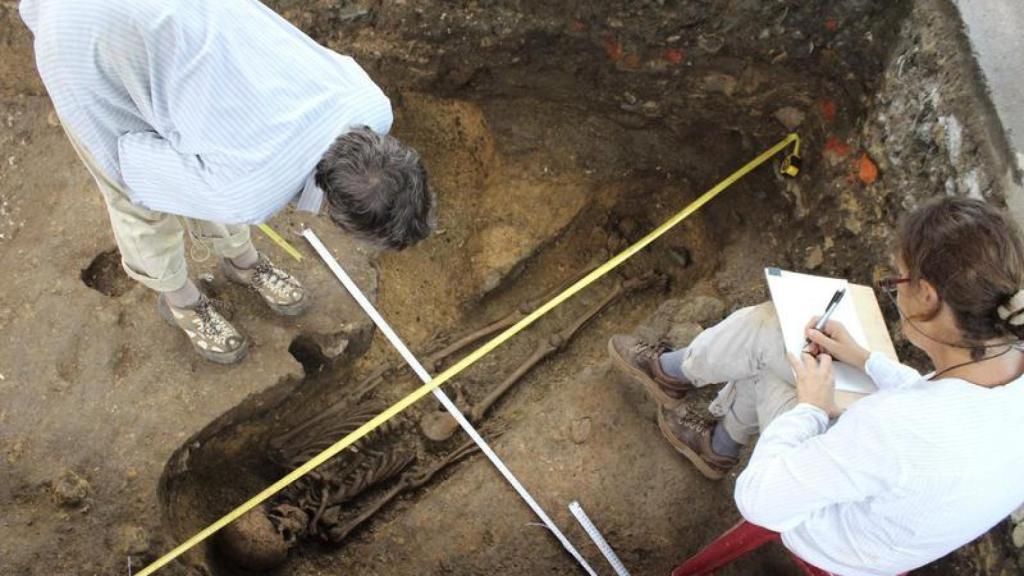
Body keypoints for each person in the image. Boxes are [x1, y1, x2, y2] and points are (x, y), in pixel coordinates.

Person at [609, 197, 1024, 575]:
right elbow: (943, 400)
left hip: (830, 544)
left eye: (897, 281)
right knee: (778, 346)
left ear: (928, 297)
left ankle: (675, 380)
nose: (894, 289)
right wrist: (866, 360)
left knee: (768, 338)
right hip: (893, 534)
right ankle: (714, 439)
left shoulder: (891, 427)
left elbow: (759, 502)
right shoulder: (1006, 367)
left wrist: (811, 407)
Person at [19, 0, 434, 364]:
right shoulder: (252, 187)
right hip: (85, 37)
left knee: (222, 184)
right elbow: (135, 165)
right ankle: (180, 301)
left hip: (188, 24)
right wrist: (197, 170)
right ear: (339, 216)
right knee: (137, 201)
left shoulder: (372, 103)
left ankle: (242, 262)